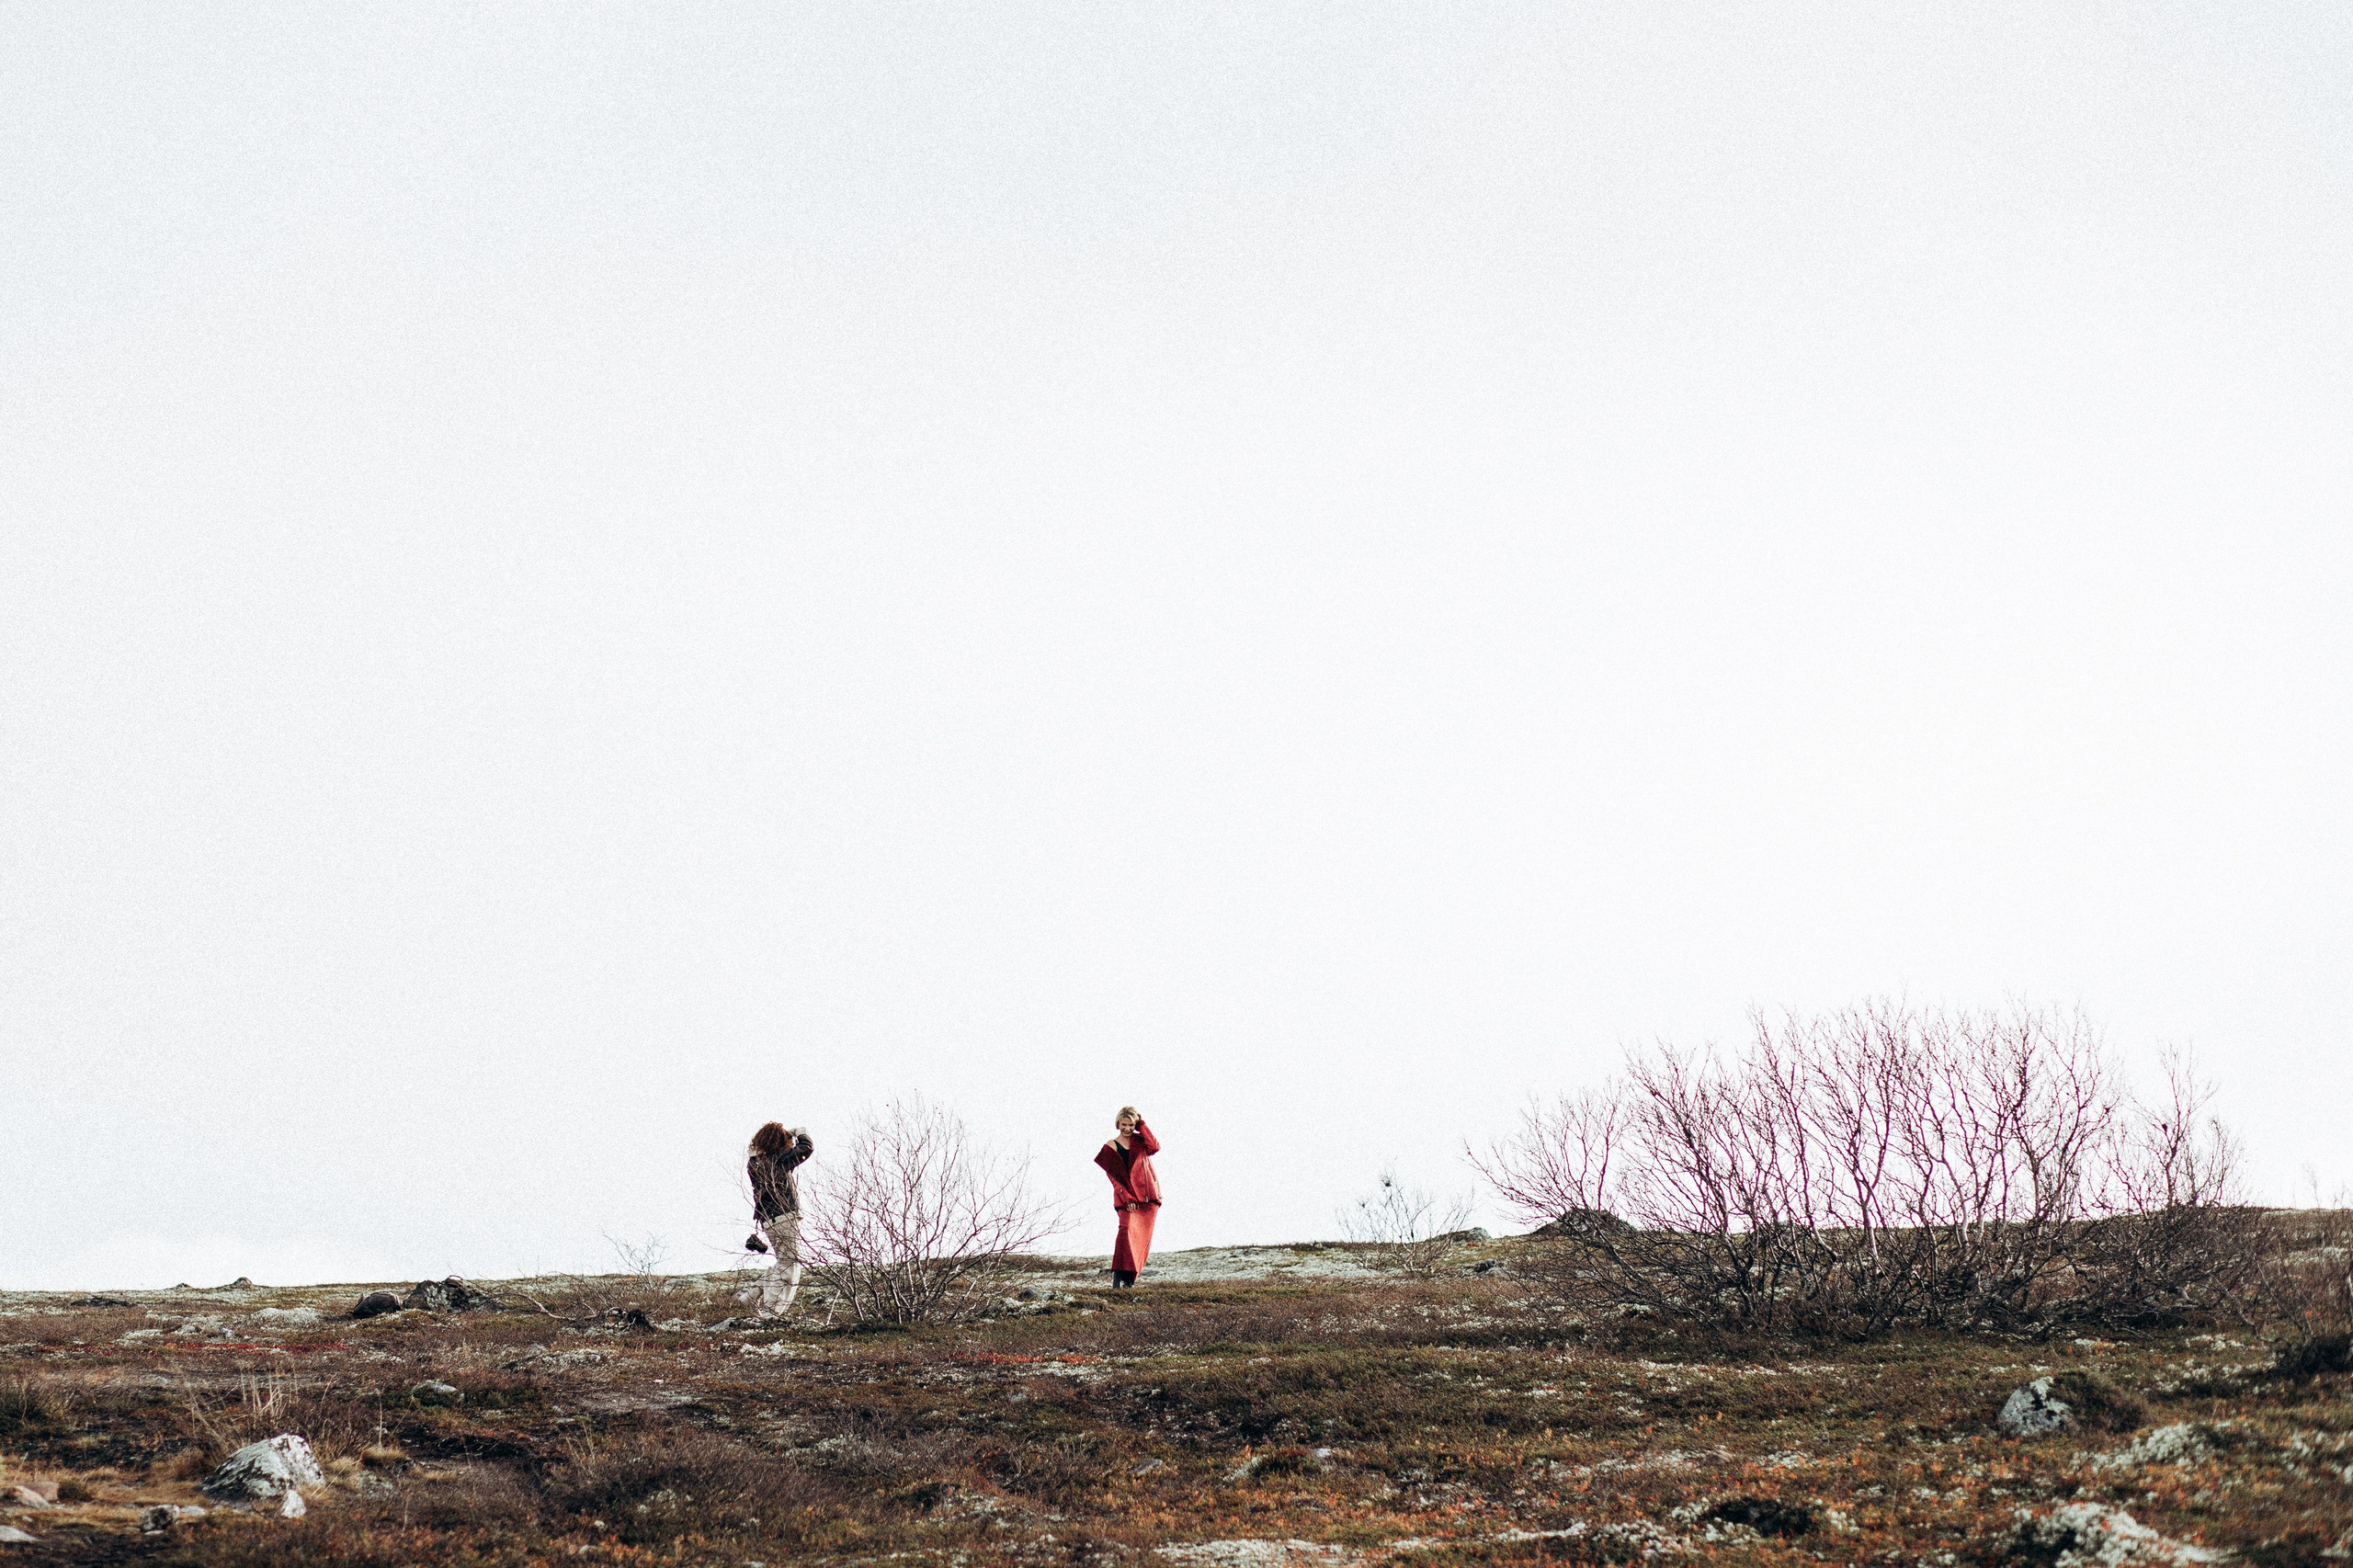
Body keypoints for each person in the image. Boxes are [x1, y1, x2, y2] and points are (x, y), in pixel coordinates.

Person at [745, 1121, 815, 1315]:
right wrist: (799, 1132)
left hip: (768, 1218)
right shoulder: (779, 1159)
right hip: (784, 1214)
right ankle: (772, 1311)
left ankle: (750, 1296)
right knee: (790, 1264)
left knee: (784, 1261)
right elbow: (807, 1149)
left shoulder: (755, 1163)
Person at [1093, 1106, 1161, 1289]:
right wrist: (1127, 1198)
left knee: (1140, 1240)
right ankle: (1117, 1277)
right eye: (1124, 1124)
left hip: (1147, 1200)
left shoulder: (1140, 1141)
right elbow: (1113, 1177)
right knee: (1125, 1232)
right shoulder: (1110, 1146)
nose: (1128, 1128)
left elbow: (1155, 1147)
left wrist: (1142, 1124)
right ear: (1118, 1124)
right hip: (1126, 1200)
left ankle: (1129, 1280)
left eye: (1131, 1125)